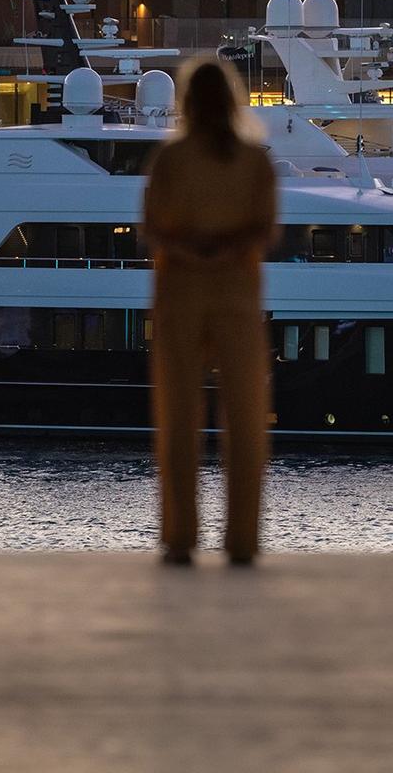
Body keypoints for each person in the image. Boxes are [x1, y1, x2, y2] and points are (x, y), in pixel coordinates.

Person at [143, 58, 277, 568]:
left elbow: (156, 229)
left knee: (179, 417)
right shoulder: (253, 161)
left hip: (180, 289)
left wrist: (193, 252)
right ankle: (242, 540)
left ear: (187, 103)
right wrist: (224, 252)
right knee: (244, 419)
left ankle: (180, 538)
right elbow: (262, 229)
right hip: (237, 291)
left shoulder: (172, 160)